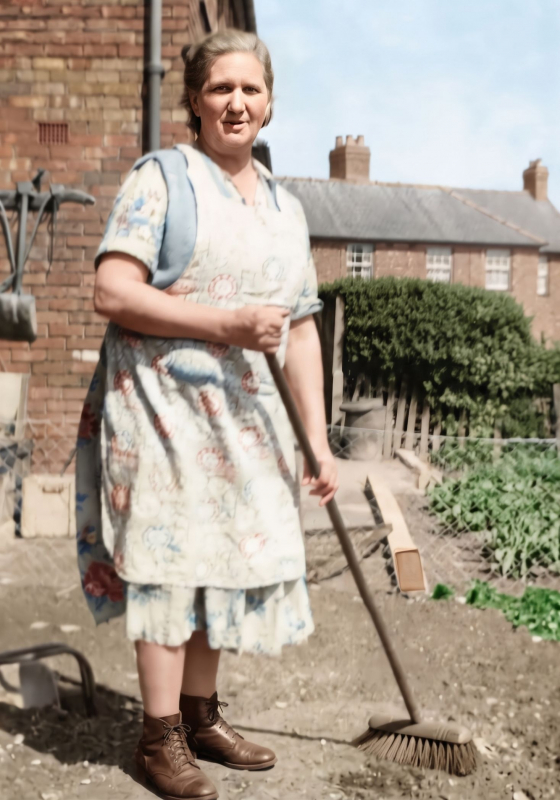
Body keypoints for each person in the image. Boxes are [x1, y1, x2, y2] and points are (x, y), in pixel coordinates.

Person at [76, 28, 338, 800]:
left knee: (222, 562)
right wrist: (226, 323)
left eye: (250, 89)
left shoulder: (286, 208)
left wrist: (317, 440)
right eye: (221, 87)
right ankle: (157, 738)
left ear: (270, 104)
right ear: (194, 100)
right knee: (169, 563)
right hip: (160, 409)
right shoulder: (162, 179)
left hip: (247, 422)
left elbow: (300, 330)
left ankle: (198, 716)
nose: (236, 102)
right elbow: (112, 290)